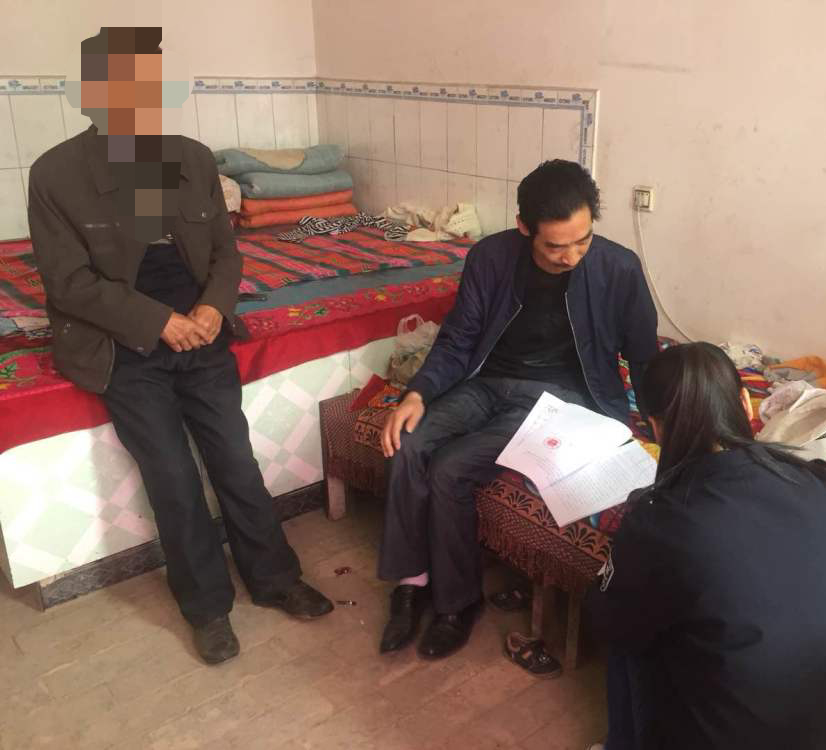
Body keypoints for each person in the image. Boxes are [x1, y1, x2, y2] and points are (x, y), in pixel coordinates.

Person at [28, 27, 332, 665]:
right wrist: (159, 322)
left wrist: (213, 307)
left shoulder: (192, 160)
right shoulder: (56, 174)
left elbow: (225, 252)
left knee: (236, 461)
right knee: (171, 476)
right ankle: (207, 608)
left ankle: (275, 579)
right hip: (123, 344)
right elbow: (68, 283)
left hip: (201, 332)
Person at [377, 160, 659, 659]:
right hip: (485, 383)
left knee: (450, 468)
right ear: (524, 227)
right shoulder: (490, 258)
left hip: (559, 400)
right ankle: (412, 582)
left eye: (583, 241)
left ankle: (456, 605)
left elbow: (643, 355)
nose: (571, 256)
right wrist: (417, 393)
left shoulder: (619, 268)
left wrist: (658, 422)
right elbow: (459, 339)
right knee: (408, 441)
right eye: (555, 246)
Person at [585, 342, 826, 750]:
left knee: (630, 638)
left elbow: (610, 623)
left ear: (655, 427)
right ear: (746, 402)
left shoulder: (660, 522)